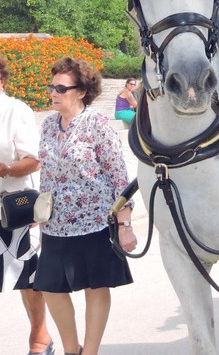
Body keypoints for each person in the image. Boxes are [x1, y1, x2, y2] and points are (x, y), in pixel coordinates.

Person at [34, 57, 137, 355]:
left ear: (81, 91)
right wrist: (42, 216)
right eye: (52, 87)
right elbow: (46, 174)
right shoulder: (50, 125)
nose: (54, 93)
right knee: (51, 288)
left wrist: (125, 225)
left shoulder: (97, 124)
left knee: (96, 287)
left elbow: (119, 176)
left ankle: (89, 352)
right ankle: (71, 350)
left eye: (61, 88)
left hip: (94, 222)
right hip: (56, 225)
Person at [0, 56, 55, 355]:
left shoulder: (15, 110)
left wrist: (5, 169)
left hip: (12, 210)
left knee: (27, 279)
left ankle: (40, 337)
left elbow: (33, 161)